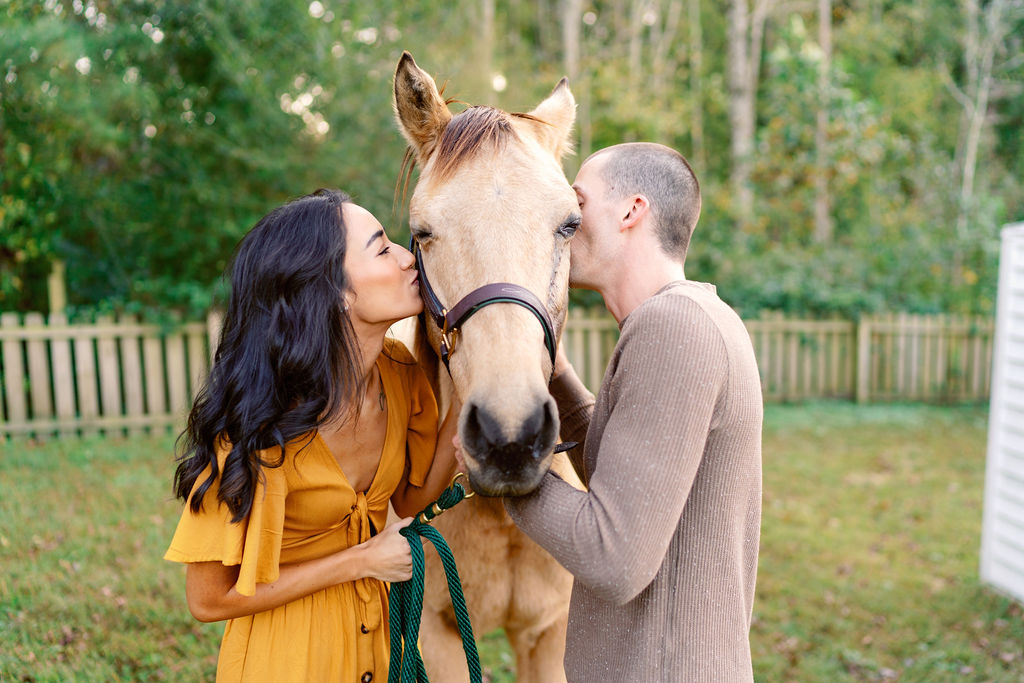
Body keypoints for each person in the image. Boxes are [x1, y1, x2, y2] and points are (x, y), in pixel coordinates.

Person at [164, 189, 460, 682]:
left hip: (381, 649)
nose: (411, 259)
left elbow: (407, 502)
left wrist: (466, 398)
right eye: (383, 248)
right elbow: (207, 599)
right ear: (333, 291)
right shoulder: (256, 421)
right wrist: (360, 561)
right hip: (287, 661)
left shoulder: (401, 376)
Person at [500, 143, 763, 681]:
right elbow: (634, 487)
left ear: (630, 211)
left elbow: (612, 557)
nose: (563, 222)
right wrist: (556, 374)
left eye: (575, 204)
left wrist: (503, 467)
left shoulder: (673, 329)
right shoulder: (697, 315)